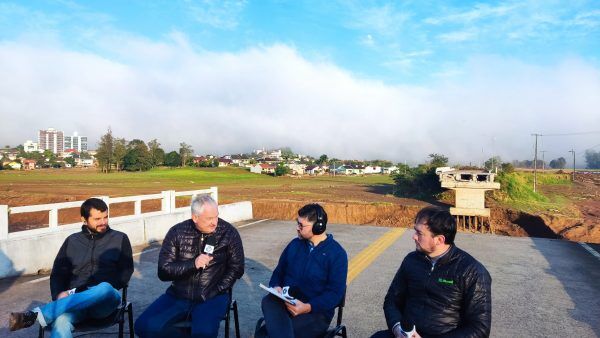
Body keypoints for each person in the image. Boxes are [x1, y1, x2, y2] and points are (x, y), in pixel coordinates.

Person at [9, 198, 134, 338]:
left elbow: (126, 272)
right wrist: (58, 294)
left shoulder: (120, 238)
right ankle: (41, 315)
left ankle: (37, 315)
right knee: (61, 321)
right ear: (84, 219)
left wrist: (87, 290)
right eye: (97, 219)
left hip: (105, 303)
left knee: (104, 287)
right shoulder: (72, 241)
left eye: (106, 217)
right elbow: (58, 274)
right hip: (75, 303)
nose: (103, 222)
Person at [135, 194, 244, 338]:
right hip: (178, 295)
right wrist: (193, 264)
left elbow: (237, 268)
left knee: (203, 334)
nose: (214, 222)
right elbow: (164, 271)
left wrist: (217, 290)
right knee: (143, 327)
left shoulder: (229, 233)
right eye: (209, 218)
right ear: (195, 217)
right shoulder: (177, 232)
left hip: (213, 297)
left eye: (216, 216)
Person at [380, 206, 492, 338]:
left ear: (439, 240)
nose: (414, 237)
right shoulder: (411, 261)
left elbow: (479, 328)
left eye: (419, 233)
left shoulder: (472, 271)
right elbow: (392, 301)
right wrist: (397, 329)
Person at [257, 203, 348, 338]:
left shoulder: (337, 254)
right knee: (268, 301)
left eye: (301, 225)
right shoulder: (294, 245)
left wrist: (308, 307)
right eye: (297, 223)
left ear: (318, 227)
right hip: (286, 303)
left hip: (315, 312)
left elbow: (335, 294)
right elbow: (279, 272)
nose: (297, 228)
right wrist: (276, 287)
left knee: (264, 334)